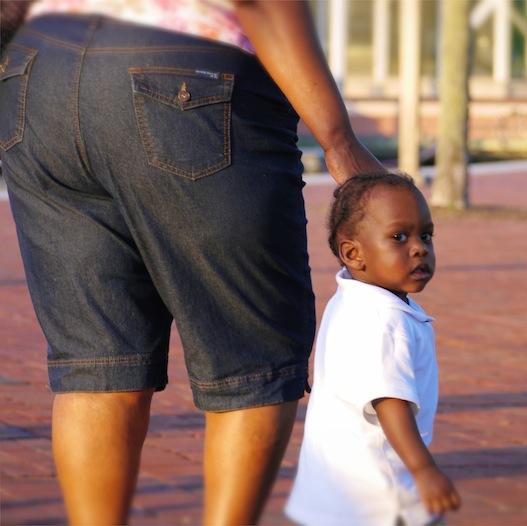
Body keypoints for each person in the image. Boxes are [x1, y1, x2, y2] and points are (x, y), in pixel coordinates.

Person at [0, 1, 384, 524]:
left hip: (38, 67)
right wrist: (340, 142)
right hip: (184, 70)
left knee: (98, 360)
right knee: (251, 354)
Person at [285, 173, 461, 526]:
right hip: (378, 495)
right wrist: (424, 469)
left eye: (426, 235)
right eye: (399, 237)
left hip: (334, 488)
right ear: (353, 253)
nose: (419, 248)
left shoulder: (351, 299)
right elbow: (389, 401)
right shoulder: (384, 319)